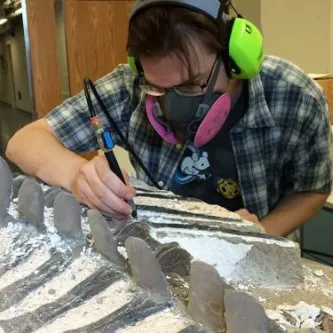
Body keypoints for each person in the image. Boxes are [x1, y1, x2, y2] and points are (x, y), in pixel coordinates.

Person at [6, 0, 333, 237]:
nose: (172, 102)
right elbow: (24, 143)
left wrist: (262, 233)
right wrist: (77, 174)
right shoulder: (128, 87)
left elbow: (312, 189)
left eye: (192, 84)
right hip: (158, 248)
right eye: (157, 85)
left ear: (236, 57)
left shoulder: (294, 96)